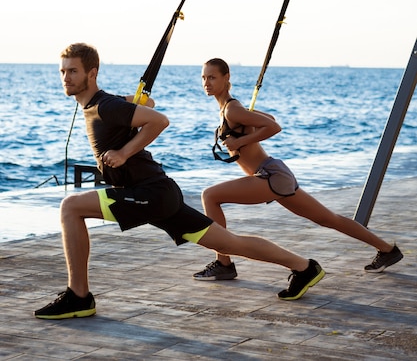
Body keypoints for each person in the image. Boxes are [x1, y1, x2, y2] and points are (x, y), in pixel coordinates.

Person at [34, 43, 325, 320]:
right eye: (62, 71)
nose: (66, 77)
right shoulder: (104, 104)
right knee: (231, 243)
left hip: (149, 193)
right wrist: (132, 103)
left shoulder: (105, 105)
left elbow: (158, 119)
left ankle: (79, 296)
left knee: (70, 207)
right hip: (160, 193)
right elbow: (147, 102)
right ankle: (304, 267)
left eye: (72, 71)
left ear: (91, 73)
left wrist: (123, 153)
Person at [193, 58, 403, 282]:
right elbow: (269, 118)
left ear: (226, 78)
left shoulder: (232, 110)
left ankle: (224, 263)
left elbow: (274, 126)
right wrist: (248, 124)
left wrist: (239, 142)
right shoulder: (232, 108)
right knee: (328, 218)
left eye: (212, 77)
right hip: (274, 175)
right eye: (204, 78)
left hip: (269, 176)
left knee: (210, 195)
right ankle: (388, 250)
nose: (207, 82)